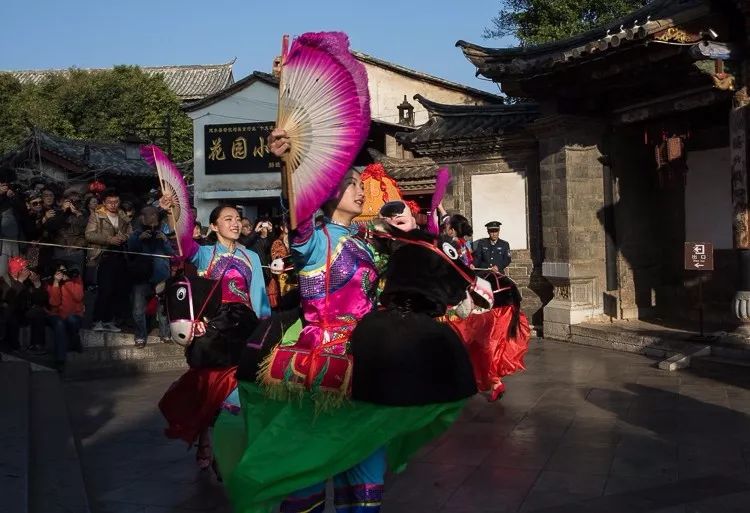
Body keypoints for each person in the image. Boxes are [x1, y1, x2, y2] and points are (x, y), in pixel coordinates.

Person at [214, 131, 477, 513]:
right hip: (322, 358)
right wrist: (291, 166)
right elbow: (298, 216)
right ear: (327, 195)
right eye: (351, 185)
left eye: (358, 184)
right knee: (308, 469)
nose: (359, 191)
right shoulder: (315, 240)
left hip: (367, 354)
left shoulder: (362, 241)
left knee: (366, 471)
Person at [158, 200, 270, 470]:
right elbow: (183, 245)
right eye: (228, 218)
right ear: (214, 226)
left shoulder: (251, 256)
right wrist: (172, 213)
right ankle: (206, 437)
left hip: (242, 328)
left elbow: (259, 298)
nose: (235, 223)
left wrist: (264, 330)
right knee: (208, 389)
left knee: (235, 389)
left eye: (237, 218)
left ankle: (223, 447)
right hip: (210, 330)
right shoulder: (205, 254)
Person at [85, 189, 132, 332]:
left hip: (120, 256)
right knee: (105, 289)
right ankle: (97, 320)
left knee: (117, 290)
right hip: (103, 255)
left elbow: (131, 232)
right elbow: (89, 235)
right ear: (104, 202)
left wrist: (125, 237)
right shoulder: (97, 215)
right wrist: (108, 239)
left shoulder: (123, 215)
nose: (113, 205)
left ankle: (108, 320)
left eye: (116, 202)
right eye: (110, 202)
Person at [126, 206, 174, 347]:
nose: (153, 217)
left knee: (163, 308)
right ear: (142, 218)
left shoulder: (164, 231)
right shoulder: (136, 233)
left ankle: (165, 334)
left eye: (155, 215)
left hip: (161, 276)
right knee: (138, 309)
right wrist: (139, 240)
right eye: (150, 215)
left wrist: (165, 240)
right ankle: (140, 335)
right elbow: (131, 252)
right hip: (141, 276)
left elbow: (172, 253)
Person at [45, 261, 84, 372]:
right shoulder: (50, 282)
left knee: (71, 320)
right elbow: (54, 304)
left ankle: (75, 340)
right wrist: (56, 283)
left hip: (74, 315)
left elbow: (78, 297)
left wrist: (67, 281)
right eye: (60, 271)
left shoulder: (75, 278)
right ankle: (60, 360)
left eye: (64, 270)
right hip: (57, 315)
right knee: (59, 324)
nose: (63, 273)